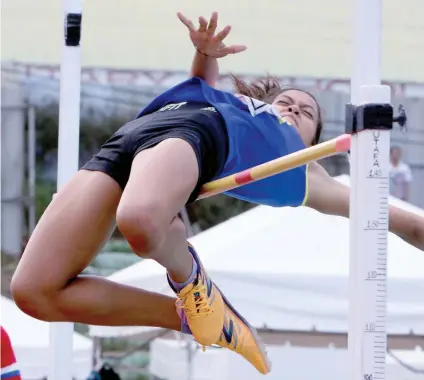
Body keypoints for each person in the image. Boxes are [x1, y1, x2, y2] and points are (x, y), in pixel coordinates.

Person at [11, 11, 424, 376]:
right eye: (287, 101)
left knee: (139, 222)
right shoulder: (234, 102)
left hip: (194, 139)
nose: (295, 108)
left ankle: (191, 281)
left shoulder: (303, 170)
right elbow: (202, 84)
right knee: (33, 292)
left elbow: (405, 221)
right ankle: (198, 315)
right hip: (131, 139)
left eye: (307, 112)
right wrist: (205, 52)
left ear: (313, 144)